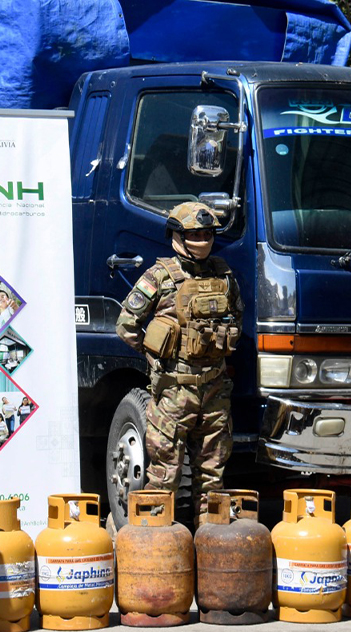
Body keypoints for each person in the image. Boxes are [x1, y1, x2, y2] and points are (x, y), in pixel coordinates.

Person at [115, 202, 242, 525]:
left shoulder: (224, 276)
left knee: (212, 479)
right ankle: (158, 552)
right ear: (177, 236)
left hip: (214, 391)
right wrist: (156, 354)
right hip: (174, 392)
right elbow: (126, 325)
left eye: (207, 234)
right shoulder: (160, 276)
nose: (202, 240)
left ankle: (210, 549)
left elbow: (236, 320)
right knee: (163, 476)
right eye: (194, 234)